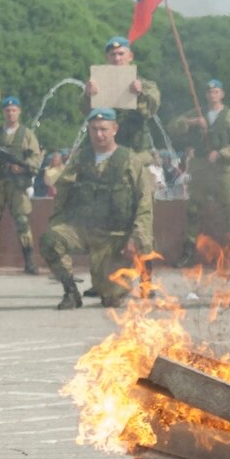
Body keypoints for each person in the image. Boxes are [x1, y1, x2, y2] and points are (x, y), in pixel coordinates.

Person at [39, 109, 154, 310]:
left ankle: (132, 277)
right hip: (84, 230)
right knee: (50, 239)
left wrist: (135, 239)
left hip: (115, 237)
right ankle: (71, 292)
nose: (99, 134)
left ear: (114, 129)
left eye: (104, 129)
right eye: (94, 129)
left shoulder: (130, 160)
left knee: (111, 299)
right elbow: (63, 189)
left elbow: (145, 203)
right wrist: (58, 222)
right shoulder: (81, 158)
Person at [169, 79, 230, 266]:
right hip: (201, 169)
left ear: (222, 94)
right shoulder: (198, 111)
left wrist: (221, 153)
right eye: (210, 92)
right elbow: (173, 126)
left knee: (229, 211)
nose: (213, 95)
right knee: (193, 210)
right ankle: (188, 251)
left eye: (216, 91)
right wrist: (194, 122)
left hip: (223, 171)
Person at [82, 36, 161, 152]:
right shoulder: (98, 83)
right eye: (112, 55)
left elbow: (152, 108)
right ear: (107, 58)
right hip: (101, 149)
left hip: (135, 149)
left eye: (121, 54)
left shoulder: (146, 85)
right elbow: (84, 111)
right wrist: (88, 95)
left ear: (130, 56)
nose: (117, 58)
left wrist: (139, 95)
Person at [0, 96, 43, 274]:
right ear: (3, 112)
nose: (10, 113)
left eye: (14, 110)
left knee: (22, 222)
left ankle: (29, 261)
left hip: (17, 184)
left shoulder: (26, 134)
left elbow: (35, 158)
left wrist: (22, 167)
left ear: (19, 111)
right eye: (7, 110)